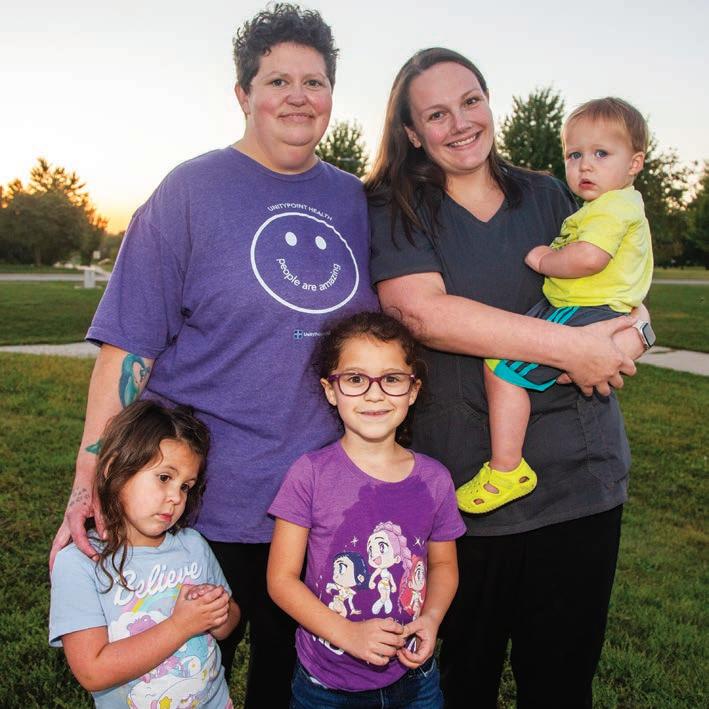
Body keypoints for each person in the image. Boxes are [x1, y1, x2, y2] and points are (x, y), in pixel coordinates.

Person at [48, 4, 378, 706]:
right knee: (180, 681)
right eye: (277, 80)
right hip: (199, 505)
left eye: (314, 82)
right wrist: (89, 479)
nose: (298, 97)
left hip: (317, 506)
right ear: (242, 94)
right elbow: (128, 349)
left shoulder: (357, 201)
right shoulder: (190, 192)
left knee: (296, 687)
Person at [365, 48, 650, 707]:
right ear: (412, 132)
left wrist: (637, 332)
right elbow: (422, 313)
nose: (461, 122)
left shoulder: (549, 193)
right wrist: (568, 346)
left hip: (577, 481)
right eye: (436, 114)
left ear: (489, 102)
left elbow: (616, 281)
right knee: (461, 684)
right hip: (462, 493)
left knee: (560, 685)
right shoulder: (396, 207)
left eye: (471, 101)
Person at [456, 97, 654, 513]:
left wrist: (546, 259)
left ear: (634, 163)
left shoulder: (611, 208)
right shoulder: (607, 205)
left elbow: (589, 258)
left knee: (501, 368)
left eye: (601, 154)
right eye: (574, 155)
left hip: (586, 311)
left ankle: (507, 469)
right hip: (594, 309)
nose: (585, 166)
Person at [267, 312, 466, 708]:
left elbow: (444, 565)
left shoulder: (435, 479)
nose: (375, 395)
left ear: (413, 390)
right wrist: (348, 635)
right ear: (330, 390)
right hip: (326, 686)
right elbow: (281, 580)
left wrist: (431, 618)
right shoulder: (310, 474)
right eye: (356, 379)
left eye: (391, 379)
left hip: (415, 680)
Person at [49, 400, 240, 708]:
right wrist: (181, 625)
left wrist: (216, 612)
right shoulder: (79, 564)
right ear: (114, 468)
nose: (175, 497)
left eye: (186, 486)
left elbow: (230, 623)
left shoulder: (192, 545)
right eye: (164, 477)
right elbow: (92, 672)